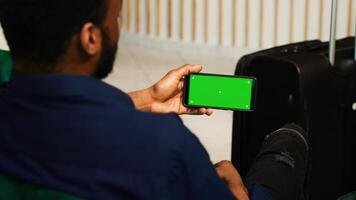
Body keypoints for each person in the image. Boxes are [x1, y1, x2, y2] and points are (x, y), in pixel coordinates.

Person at [0, 0, 308, 199]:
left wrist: (148, 99)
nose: (117, 30)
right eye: (116, 19)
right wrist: (235, 189)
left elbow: (64, 119)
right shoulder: (164, 147)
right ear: (90, 38)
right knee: (287, 143)